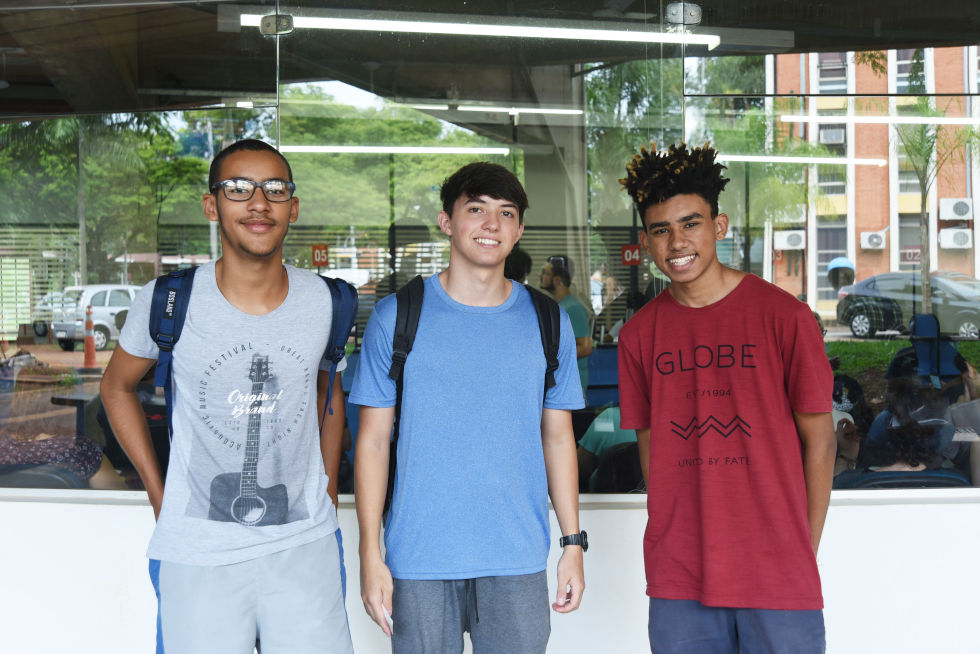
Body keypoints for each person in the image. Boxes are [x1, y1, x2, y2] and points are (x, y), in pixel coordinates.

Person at [99, 139, 354, 654]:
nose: (258, 202)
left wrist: (324, 490)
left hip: (305, 548)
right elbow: (116, 386)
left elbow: (330, 395)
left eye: (275, 189)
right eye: (238, 188)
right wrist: (159, 491)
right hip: (198, 552)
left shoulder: (328, 301)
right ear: (212, 205)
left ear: (293, 206)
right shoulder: (169, 300)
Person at [351, 162, 586, 654]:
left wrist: (572, 545)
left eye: (506, 213)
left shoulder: (548, 320)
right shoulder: (398, 317)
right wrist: (370, 552)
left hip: (516, 557)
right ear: (446, 221)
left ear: (520, 229)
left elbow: (558, 437)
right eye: (475, 209)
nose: (491, 225)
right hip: (419, 558)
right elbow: (372, 440)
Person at [616, 142, 836, 654]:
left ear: (720, 225)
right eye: (660, 230)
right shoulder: (638, 337)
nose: (677, 242)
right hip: (679, 574)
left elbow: (820, 444)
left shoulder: (784, 318)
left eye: (690, 223)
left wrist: (802, 548)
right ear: (647, 242)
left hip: (778, 570)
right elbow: (653, 451)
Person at [541, 254, 593, 396]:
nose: (541, 276)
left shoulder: (573, 308)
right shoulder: (560, 306)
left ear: (558, 280)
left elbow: (586, 347)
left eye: (545, 273)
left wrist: (548, 359)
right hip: (560, 383)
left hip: (571, 386)